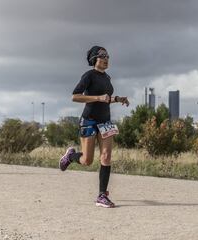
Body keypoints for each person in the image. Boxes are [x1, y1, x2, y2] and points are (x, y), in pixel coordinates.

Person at [59, 45, 129, 208]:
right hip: (89, 120)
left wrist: (118, 99)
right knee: (87, 160)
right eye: (102, 56)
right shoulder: (88, 75)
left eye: (107, 56)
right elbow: (75, 97)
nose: (106, 59)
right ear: (94, 59)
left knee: (106, 156)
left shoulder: (108, 78)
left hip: (105, 121)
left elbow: (106, 98)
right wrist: (97, 97)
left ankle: (102, 195)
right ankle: (70, 156)